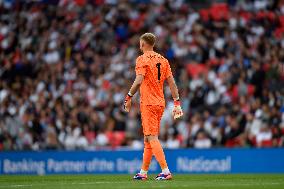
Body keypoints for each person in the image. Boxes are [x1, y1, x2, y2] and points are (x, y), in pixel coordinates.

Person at [124, 33, 183, 180]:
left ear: (143, 44)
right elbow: (172, 83)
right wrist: (176, 102)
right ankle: (143, 173)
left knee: (152, 137)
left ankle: (165, 171)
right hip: (160, 103)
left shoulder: (141, 59)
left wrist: (129, 96)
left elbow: (138, 80)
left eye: (140, 43)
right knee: (147, 139)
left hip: (148, 103)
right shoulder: (163, 60)